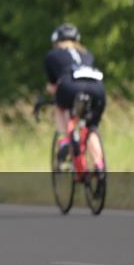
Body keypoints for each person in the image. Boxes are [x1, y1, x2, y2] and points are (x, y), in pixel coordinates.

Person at [43, 23, 106, 172]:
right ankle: (99, 165)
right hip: (98, 88)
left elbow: (54, 86)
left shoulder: (52, 55)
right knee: (91, 127)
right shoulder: (87, 54)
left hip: (70, 85)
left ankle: (64, 141)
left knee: (59, 106)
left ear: (56, 41)